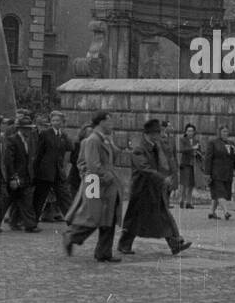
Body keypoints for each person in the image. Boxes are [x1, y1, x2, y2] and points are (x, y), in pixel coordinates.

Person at [117, 118, 191, 257]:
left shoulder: (156, 146)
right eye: (158, 133)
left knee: (164, 215)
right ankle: (124, 244)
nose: (160, 135)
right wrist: (163, 179)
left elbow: (165, 162)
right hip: (141, 189)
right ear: (150, 134)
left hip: (154, 188)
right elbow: (144, 169)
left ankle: (175, 243)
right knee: (134, 218)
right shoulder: (139, 149)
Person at [63, 111, 123, 262]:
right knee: (93, 217)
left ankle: (104, 252)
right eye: (109, 122)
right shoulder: (93, 140)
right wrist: (106, 176)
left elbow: (113, 157)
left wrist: (111, 142)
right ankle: (71, 236)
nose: (112, 125)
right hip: (98, 184)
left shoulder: (104, 139)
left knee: (108, 218)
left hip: (107, 186)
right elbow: (93, 164)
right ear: (101, 122)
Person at [2, 109, 40, 232]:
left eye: (30, 128)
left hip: (26, 175)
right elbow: (9, 161)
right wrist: (13, 177)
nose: (29, 130)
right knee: (10, 201)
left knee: (25, 200)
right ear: (21, 129)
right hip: (16, 176)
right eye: (27, 128)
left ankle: (26, 224)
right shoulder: (12, 140)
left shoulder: (29, 140)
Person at [32, 111, 74, 222]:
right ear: (51, 122)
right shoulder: (45, 134)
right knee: (40, 197)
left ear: (62, 122)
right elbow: (39, 153)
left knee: (64, 196)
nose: (55, 122)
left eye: (58, 120)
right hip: (45, 172)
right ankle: (32, 221)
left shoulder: (63, 135)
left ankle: (72, 220)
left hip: (58, 172)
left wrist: (66, 137)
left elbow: (70, 148)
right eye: (53, 120)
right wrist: (35, 170)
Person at [204, 124, 235, 220]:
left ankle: (211, 212)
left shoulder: (231, 143)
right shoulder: (213, 143)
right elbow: (208, 158)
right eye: (223, 131)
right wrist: (207, 173)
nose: (225, 133)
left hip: (227, 173)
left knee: (218, 194)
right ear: (219, 133)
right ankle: (226, 211)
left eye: (227, 131)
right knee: (220, 193)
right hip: (216, 173)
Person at [177, 123, 202, 209]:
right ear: (186, 132)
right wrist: (193, 148)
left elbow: (200, 151)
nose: (190, 132)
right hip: (185, 163)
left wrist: (198, 153)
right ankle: (181, 200)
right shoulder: (182, 139)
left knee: (191, 184)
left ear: (194, 132)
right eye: (188, 131)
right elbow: (181, 150)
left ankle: (189, 202)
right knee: (184, 183)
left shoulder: (196, 141)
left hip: (194, 164)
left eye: (192, 131)